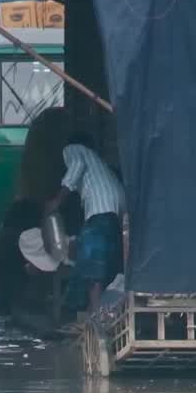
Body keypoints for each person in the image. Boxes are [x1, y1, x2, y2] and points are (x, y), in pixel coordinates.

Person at [45, 132, 126, 313]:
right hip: (117, 210)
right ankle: (96, 311)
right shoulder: (100, 165)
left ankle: (94, 315)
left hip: (101, 208)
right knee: (105, 263)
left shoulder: (74, 149)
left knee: (92, 264)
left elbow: (77, 165)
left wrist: (57, 200)